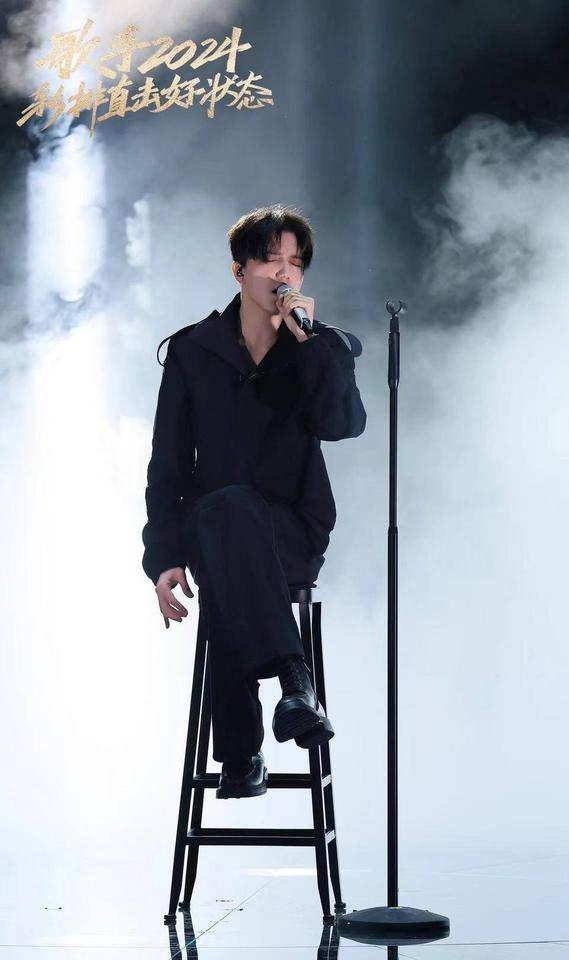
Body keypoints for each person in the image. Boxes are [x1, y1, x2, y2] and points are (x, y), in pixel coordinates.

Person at [141, 203, 367, 798]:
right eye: (270, 260)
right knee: (226, 517)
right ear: (239, 271)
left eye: (295, 262)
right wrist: (163, 557)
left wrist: (311, 344)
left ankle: (240, 751)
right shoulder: (193, 350)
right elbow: (168, 462)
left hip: (291, 529)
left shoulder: (319, 347)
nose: (284, 273)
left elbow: (343, 425)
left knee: (229, 541)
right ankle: (295, 681)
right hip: (214, 526)